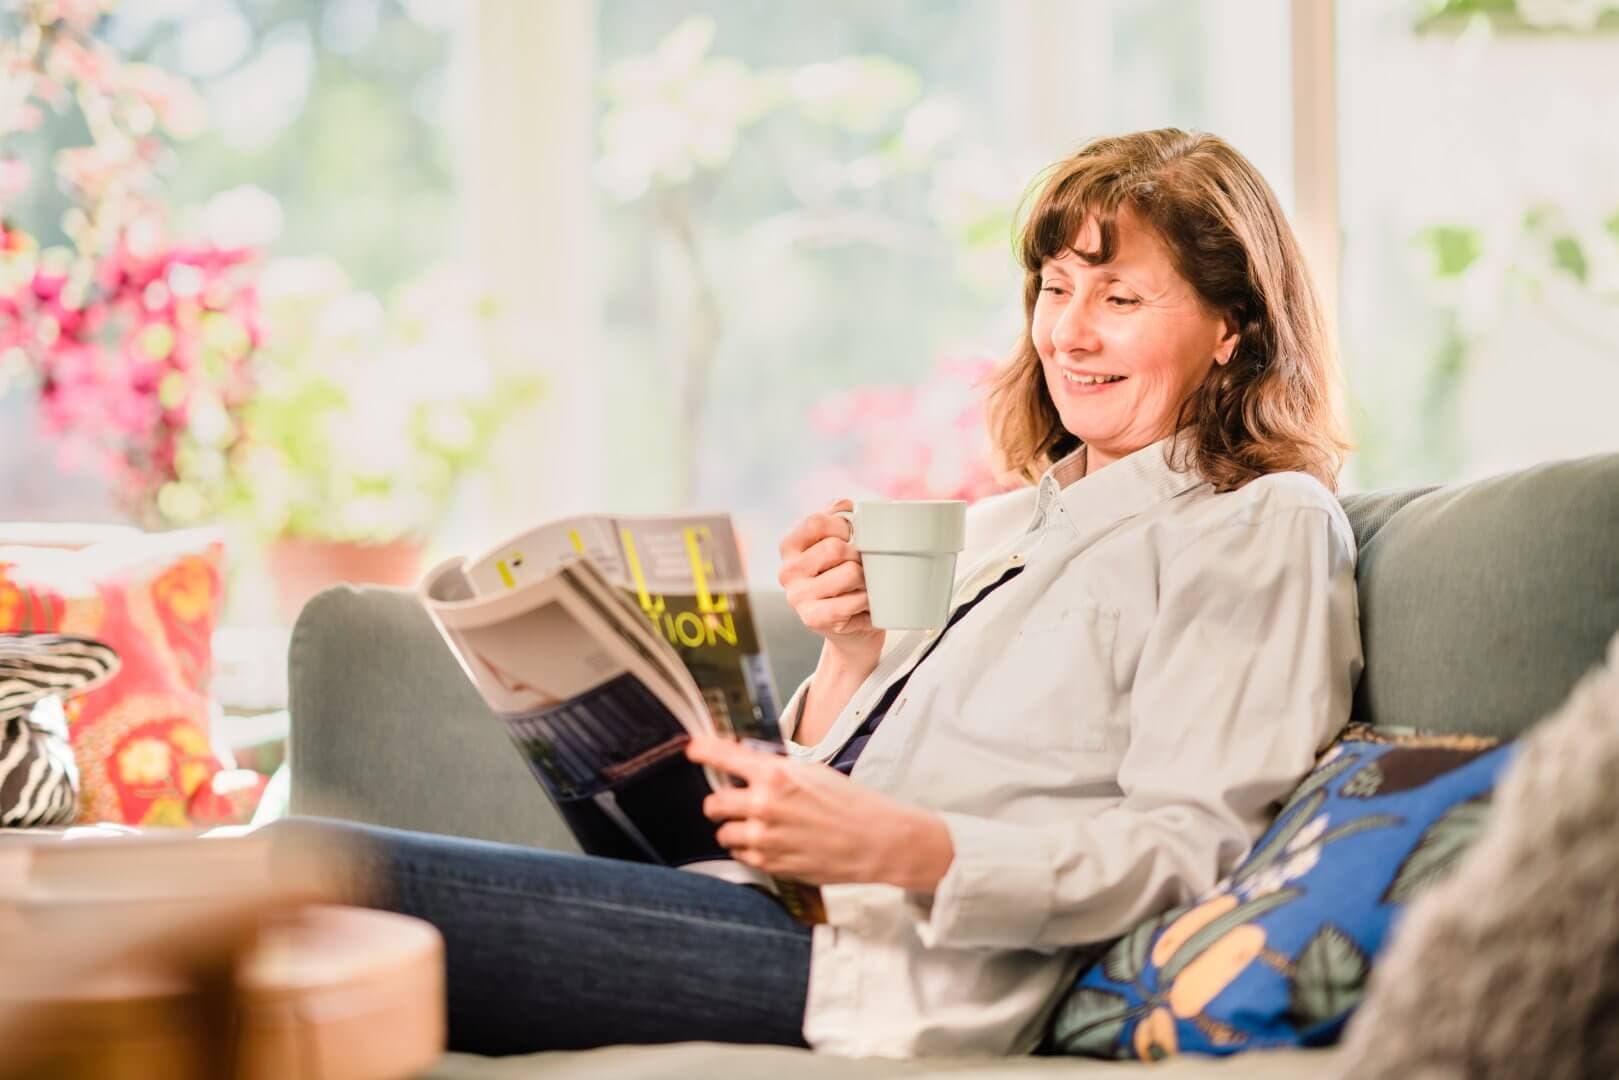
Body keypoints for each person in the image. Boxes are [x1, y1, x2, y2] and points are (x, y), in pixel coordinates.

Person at [283, 128, 1362, 1059]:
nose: (1067, 334)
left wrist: (913, 849)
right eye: (1054, 288)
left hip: (877, 971)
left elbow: (1195, 849)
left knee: (311, 882)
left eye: (1118, 297)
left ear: (1231, 328)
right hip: (766, 903)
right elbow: (847, 778)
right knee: (299, 898)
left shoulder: (1256, 522)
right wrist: (849, 653)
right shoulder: (998, 530)